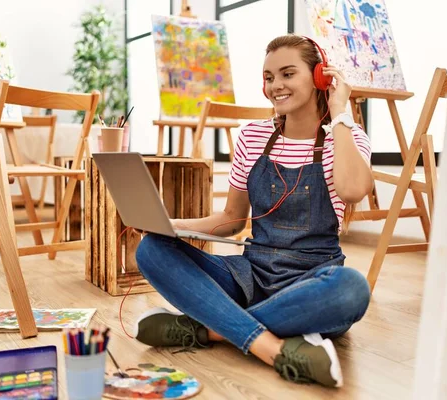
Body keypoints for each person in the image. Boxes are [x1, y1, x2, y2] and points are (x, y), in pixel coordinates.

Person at [134, 33, 374, 388]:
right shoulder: (252, 136)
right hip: (251, 276)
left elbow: (353, 190)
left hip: (312, 282)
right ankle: (274, 349)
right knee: (152, 250)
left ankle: (210, 329)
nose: (276, 85)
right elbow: (229, 220)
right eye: (269, 77)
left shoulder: (346, 137)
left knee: (352, 289)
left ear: (320, 77)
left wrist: (340, 112)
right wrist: (167, 225)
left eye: (288, 74)